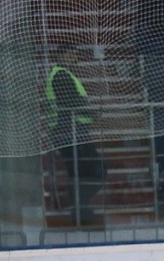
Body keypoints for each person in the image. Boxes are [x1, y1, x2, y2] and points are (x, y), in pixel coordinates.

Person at [44, 44, 105, 226]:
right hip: (69, 131)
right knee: (94, 171)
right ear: (62, 55)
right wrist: (93, 112)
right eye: (72, 54)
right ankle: (80, 208)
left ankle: (81, 209)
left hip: (70, 131)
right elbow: (72, 102)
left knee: (81, 172)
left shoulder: (62, 74)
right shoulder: (61, 75)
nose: (75, 58)